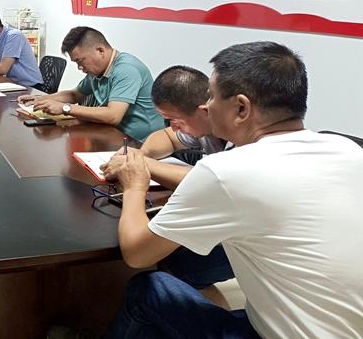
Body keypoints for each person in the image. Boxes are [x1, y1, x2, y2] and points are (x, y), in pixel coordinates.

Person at [104, 42, 363, 338]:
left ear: (241, 108)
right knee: (188, 268)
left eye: (212, 96)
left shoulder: (226, 170)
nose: (207, 106)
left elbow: (137, 254)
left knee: (149, 289)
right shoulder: (348, 149)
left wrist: (135, 186)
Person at [102, 65, 233, 304]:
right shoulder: (205, 125)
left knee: (174, 265)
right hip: (230, 222)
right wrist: (141, 154)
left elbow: (211, 181)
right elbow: (166, 137)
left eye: (174, 120)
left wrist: (141, 167)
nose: (172, 126)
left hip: (248, 242)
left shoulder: (241, 142)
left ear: (204, 110)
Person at [18, 26, 163, 142]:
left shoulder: (127, 70)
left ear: (100, 51)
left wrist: (65, 108)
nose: (79, 68)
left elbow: (113, 115)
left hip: (139, 141)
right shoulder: (97, 71)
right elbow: (75, 94)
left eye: (80, 61)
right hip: (111, 133)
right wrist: (40, 99)